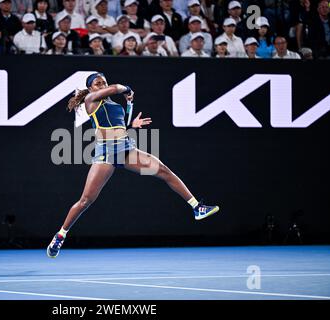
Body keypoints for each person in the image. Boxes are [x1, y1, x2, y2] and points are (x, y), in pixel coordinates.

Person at [47, 73, 220, 258]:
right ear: (90, 89)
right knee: (86, 201)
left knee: (163, 170)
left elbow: (121, 125)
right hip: (106, 154)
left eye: (103, 82)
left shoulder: (115, 106)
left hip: (126, 149)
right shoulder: (91, 99)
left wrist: (132, 119)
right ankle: (60, 235)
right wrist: (127, 89)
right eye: (98, 84)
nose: (103, 85)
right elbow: (114, 89)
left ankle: (196, 207)